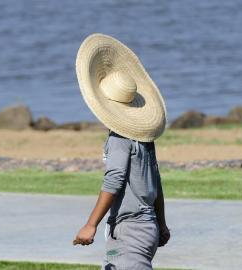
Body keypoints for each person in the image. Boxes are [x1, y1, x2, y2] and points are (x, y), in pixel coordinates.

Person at [72, 33, 170, 269]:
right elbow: (155, 184)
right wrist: (162, 225)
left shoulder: (119, 139)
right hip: (148, 228)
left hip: (130, 231)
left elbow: (114, 180)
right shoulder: (144, 140)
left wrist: (91, 224)